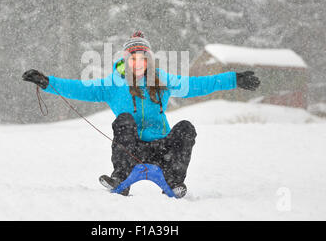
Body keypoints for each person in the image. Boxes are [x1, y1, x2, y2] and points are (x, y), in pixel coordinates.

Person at [22, 31, 260, 198]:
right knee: (124, 119)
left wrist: (234, 79)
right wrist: (47, 82)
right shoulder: (113, 84)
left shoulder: (162, 80)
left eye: (142, 58)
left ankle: (174, 180)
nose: (138, 63)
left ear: (148, 60)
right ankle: (120, 177)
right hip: (131, 149)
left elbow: (197, 84)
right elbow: (79, 88)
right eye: (133, 58)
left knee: (186, 127)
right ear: (127, 60)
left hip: (162, 149)